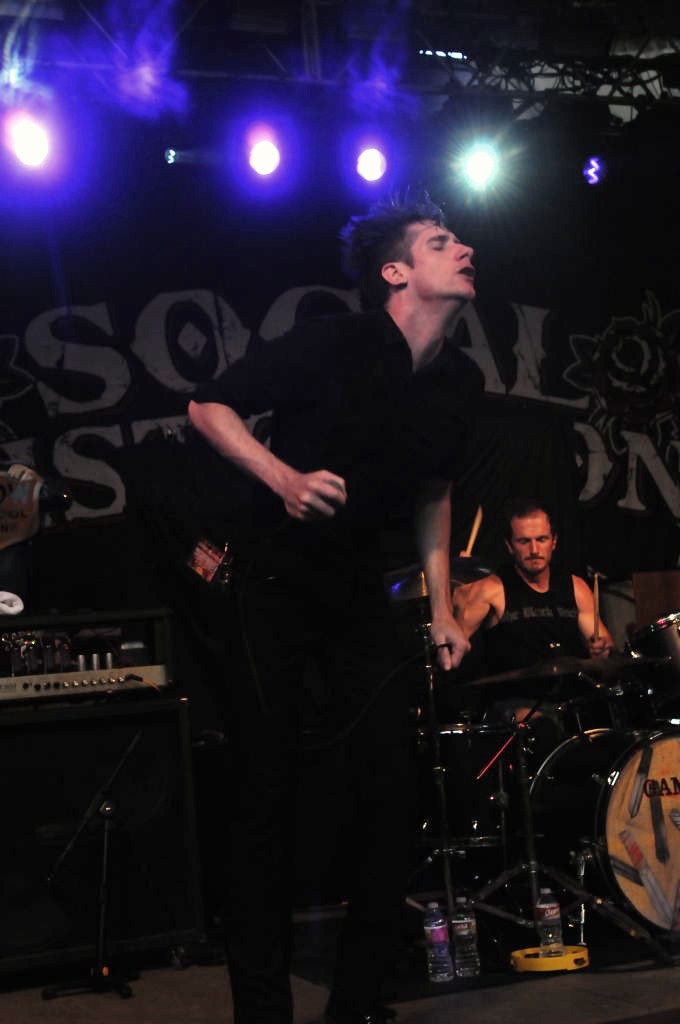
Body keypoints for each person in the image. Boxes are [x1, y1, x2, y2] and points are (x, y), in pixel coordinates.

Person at [187, 192, 483, 1024]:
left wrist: (442, 608)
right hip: (272, 587)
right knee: (266, 801)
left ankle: (356, 1005)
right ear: (395, 271)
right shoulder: (335, 341)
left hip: (359, 596)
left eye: (459, 238)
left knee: (393, 798)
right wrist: (283, 478)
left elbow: (435, 494)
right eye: (440, 241)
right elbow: (207, 405)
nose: (463, 248)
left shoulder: (459, 381)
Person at [453, 497, 615, 733]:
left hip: (574, 703)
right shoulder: (491, 589)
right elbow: (452, 655)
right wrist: (458, 597)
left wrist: (602, 651)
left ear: (554, 541)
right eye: (524, 541)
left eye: (541, 539)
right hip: (516, 706)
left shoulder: (576, 587)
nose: (534, 550)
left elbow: (607, 656)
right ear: (510, 546)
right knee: (541, 729)